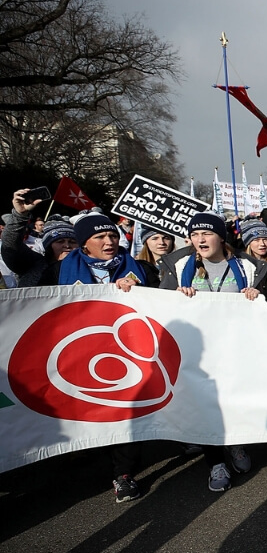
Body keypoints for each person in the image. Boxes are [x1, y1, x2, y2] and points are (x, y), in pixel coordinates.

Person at [41, 211, 148, 502]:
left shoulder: (137, 268)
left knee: (124, 411)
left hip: (126, 352)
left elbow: (158, 305)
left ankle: (124, 473)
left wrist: (140, 292)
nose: (109, 241)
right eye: (100, 237)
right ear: (83, 243)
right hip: (76, 351)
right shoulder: (58, 271)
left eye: (113, 235)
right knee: (88, 410)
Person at [159, 211, 267, 491]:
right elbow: (157, 304)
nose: (200, 239)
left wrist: (257, 295)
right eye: (194, 234)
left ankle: (236, 444)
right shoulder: (180, 265)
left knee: (234, 401)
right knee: (205, 407)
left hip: (236, 349)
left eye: (206, 233)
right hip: (197, 353)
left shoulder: (247, 267)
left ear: (221, 236)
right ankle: (215, 462)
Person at [3, 189, 77, 287]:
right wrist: (19, 215)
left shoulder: (87, 268)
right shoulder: (33, 264)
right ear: (48, 245)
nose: (67, 245)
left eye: (72, 242)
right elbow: (10, 246)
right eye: (60, 241)